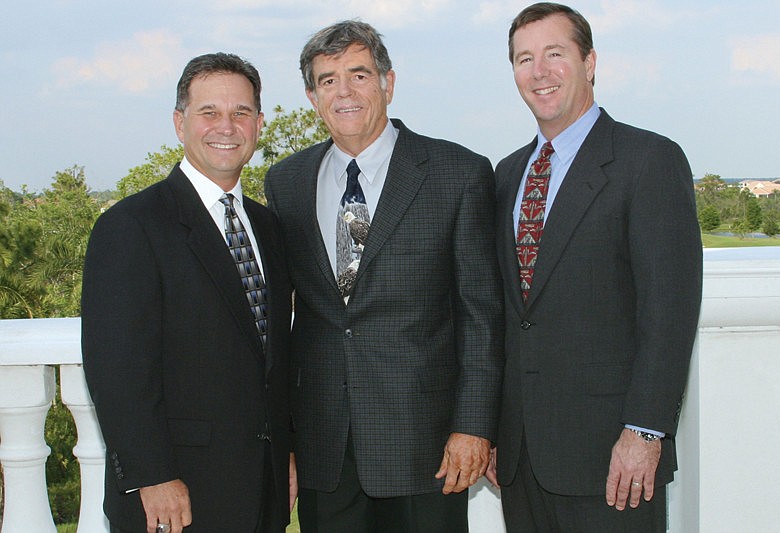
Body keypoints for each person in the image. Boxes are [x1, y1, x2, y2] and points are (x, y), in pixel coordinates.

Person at [264, 20, 504, 533]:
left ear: (388, 83)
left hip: (427, 445)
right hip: (324, 447)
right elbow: (286, 320)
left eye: (359, 75)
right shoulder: (286, 182)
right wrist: (284, 438)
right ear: (312, 97)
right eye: (328, 80)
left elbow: (480, 316)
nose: (344, 92)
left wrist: (474, 427)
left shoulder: (457, 173)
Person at [486, 3, 703, 532]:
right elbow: (505, 315)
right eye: (524, 59)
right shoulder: (508, 175)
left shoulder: (648, 161)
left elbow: (669, 313)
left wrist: (645, 431)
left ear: (589, 62)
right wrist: (492, 428)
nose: (539, 71)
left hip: (613, 459)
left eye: (554, 54)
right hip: (521, 459)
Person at [82, 53, 294, 533]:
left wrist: (287, 451)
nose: (227, 126)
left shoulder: (268, 227)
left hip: (262, 490)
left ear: (259, 124)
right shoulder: (131, 226)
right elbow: (116, 368)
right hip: (176, 496)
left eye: (241, 112)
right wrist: (152, 475)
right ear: (180, 124)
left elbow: (273, 358)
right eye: (209, 112)